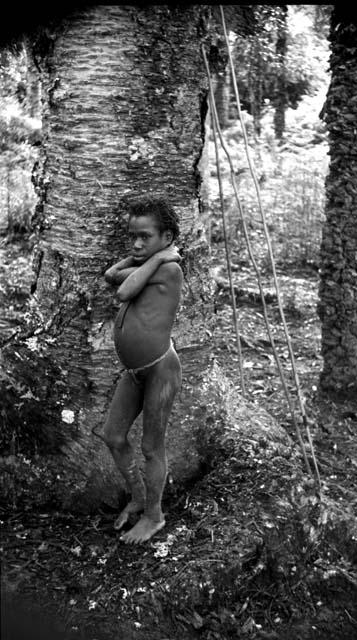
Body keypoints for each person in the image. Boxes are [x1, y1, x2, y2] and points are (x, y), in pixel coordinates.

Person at [98, 197, 183, 544]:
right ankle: (138, 496)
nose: (135, 244)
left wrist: (160, 258)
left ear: (167, 236)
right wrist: (152, 254)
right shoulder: (154, 262)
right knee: (113, 436)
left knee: (151, 446)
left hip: (160, 370)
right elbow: (110, 274)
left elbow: (123, 290)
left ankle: (154, 515)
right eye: (132, 236)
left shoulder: (169, 269)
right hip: (136, 371)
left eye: (145, 237)